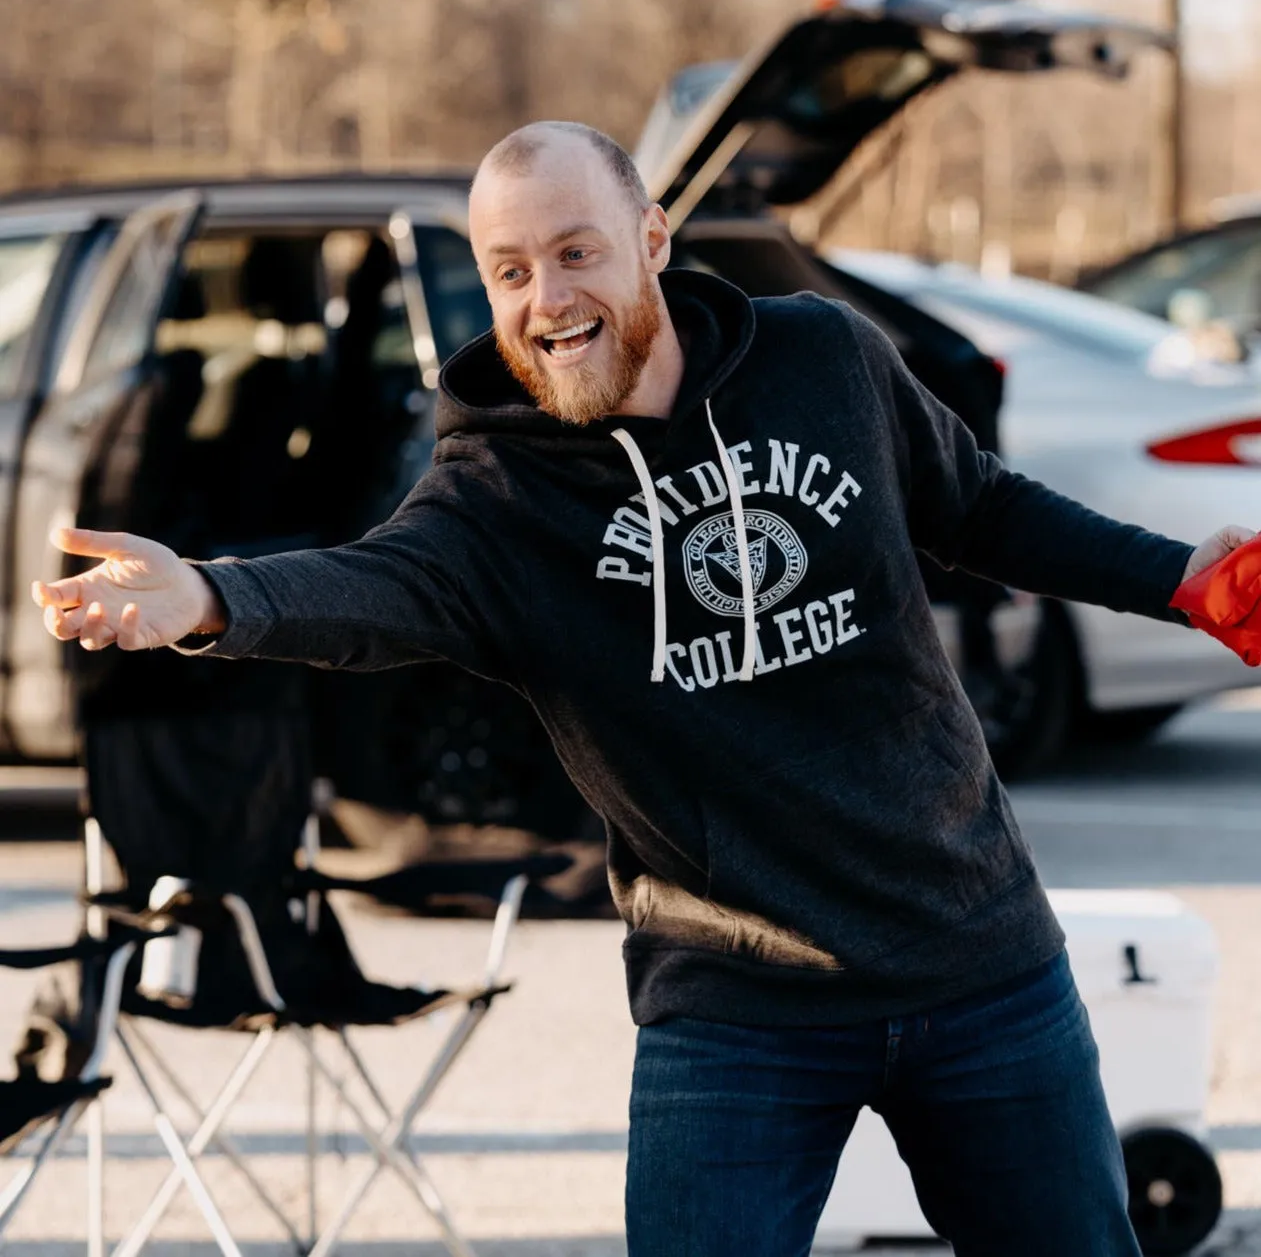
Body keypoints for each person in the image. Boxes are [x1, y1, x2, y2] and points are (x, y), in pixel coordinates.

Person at [33, 122, 1256, 1256]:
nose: (547, 300)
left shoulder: (822, 359)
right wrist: (210, 599)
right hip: (733, 1001)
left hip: (978, 959)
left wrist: (1177, 581)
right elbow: (366, 589)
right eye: (510, 271)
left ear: (653, 241)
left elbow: (980, 506)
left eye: (575, 253)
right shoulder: (496, 500)